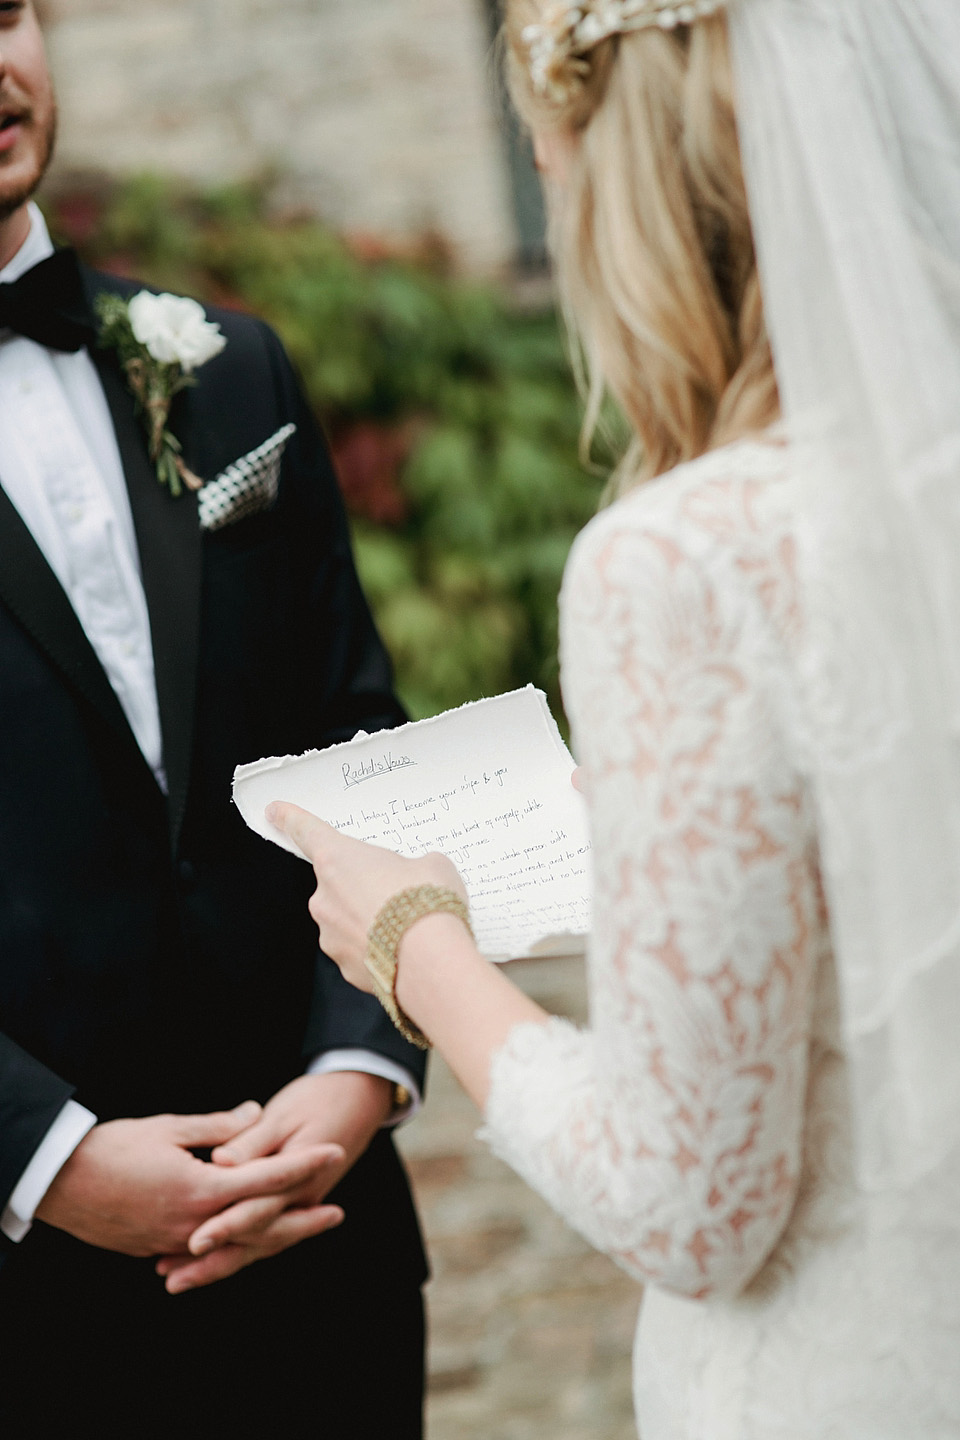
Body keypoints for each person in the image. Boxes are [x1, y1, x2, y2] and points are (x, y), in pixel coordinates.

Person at [213, 1, 960, 1435]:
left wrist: (409, 941)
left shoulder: (683, 564)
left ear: (610, 180)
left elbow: (688, 1200)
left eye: (548, 172)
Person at [0, 4, 428, 1436]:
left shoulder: (225, 369)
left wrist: (358, 1067)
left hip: (327, 1259)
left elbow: (360, 746)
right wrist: (43, 1158)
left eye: (6, 10)